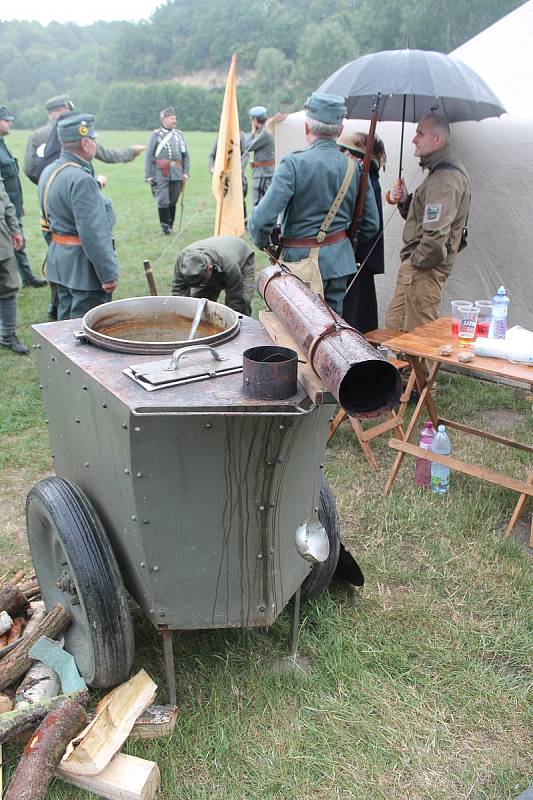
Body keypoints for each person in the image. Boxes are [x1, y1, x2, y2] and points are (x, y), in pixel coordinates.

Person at [248, 92, 379, 315]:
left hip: (298, 265)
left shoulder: (293, 164)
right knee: (332, 334)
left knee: (294, 333)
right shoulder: (353, 168)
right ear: (339, 131)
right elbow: (371, 225)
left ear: (307, 128)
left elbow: (261, 222)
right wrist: (340, 248)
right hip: (337, 265)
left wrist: (265, 244)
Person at [385, 114, 471, 334]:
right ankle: (404, 371)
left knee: (417, 341)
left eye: (420, 133)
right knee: (397, 333)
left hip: (423, 273)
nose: (414, 139)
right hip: (419, 272)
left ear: (437, 140)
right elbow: (427, 222)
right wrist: (406, 202)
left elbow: (434, 238)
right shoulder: (438, 175)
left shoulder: (445, 179)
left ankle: (419, 371)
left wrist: (414, 263)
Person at [38, 114, 119, 320]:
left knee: (64, 327)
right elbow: (94, 234)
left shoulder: (49, 171)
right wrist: (108, 274)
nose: (95, 144)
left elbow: (46, 223)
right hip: (83, 270)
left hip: (59, 262)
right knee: (84, 334)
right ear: (85, 142)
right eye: (93, 139)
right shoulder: (81, 179)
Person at [24, 95, 145, 184]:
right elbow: (107, 155)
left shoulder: (35, 136)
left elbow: (29, 169)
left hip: (48, 196)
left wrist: (48, 182)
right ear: (63, 110)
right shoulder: (76, 132)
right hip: (78, 186)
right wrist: (132, 151)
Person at [338, 130, 386, 333]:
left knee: (356, 321)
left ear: (354, 155)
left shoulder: (368, 183)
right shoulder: (363, 180)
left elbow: (369, 226)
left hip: (357, 260)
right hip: (355, 260)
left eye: (344, 151)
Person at [0, 106, 47, 288]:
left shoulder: (3, 144)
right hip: (5, 208)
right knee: (13, 241)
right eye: (6, 119)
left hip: (11, 204)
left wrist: (18, 204)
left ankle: (26, 277)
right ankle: (25, 277)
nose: (10, 122)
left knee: (17, 240)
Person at [171, 236, 255, 316]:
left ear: (210, 269)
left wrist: (232, 321)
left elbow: (235, 298)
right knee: (200, 304)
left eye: (202, 283)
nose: (199, 286)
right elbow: (179, 294)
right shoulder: (182, 261)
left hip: (243, 259)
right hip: (217, 258)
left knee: (243, 303)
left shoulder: (230, 265)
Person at [145, 107, 190, 235]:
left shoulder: (179, 135)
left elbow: (185, 155)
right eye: (171, 118)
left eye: (175, 118)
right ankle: (164, 228)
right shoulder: (156, 135)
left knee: (173, 199)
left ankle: (170, 225)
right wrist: (148, 174)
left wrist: (185, 172)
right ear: (164, 119)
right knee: (163, 199)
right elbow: (149, 155)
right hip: (160, 172)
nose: (174, 120)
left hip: (177, 172)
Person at [0, 177, 29, 354]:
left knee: (9, 286)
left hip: (2, 239)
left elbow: (6, 202)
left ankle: (8, 335)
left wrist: (15, 229)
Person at [208, 131, 249, 222]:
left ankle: (243, 222)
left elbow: (245, 154)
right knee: (224, 198)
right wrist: (212, 167)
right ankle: (224, 220)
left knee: (239, 198)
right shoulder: (220, 136)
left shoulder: (241, 136)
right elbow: (211, 155)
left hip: (236, 175)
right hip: (222, 175)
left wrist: (240, 168)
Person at [245, 106, 275, 207]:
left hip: (263, 174)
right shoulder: (267, 130)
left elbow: (247, 147)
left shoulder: (265, 133)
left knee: (258, 205)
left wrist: (252, 133)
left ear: (255, 120)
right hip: (266, 173)